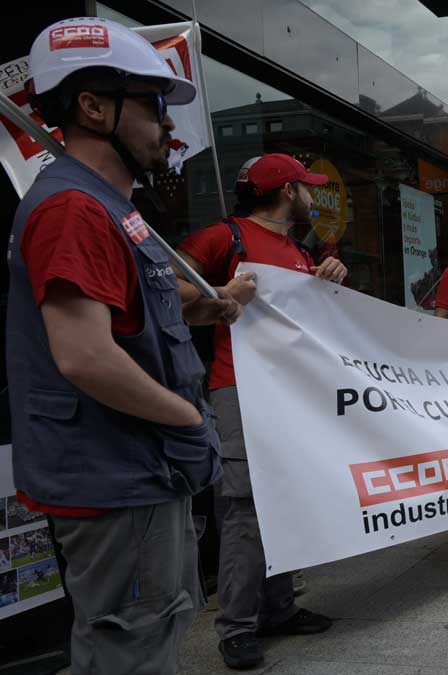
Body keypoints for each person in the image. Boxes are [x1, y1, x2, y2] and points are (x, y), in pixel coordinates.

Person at [11, 18, 243, 674]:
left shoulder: (111, 207)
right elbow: (83, 355)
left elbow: (145, 303)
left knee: (150, 636)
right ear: (92, 106)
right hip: (117, 481)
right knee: (129, 652)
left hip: (143, 474)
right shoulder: (72, 211)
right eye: (151, 105)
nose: (167, 126)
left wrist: (215, 297)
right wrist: (191, 418)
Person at [177, 153, 342, 669]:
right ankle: (237, 627)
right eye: (307, 185)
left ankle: (279, 609)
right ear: (287, 191)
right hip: (240, 389)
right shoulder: (224, 238)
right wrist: (224, 294)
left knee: (285, 501)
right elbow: (164, 291)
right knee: (246, 509)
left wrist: (326, 282)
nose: (314, 194)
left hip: (289, 390)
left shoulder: (297, 247)